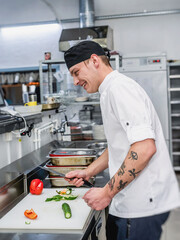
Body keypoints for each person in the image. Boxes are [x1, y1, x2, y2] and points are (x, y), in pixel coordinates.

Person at [64, 41, 180, 240]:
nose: (75, 81)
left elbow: (144, 148)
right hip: (131, 201)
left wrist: (106, 193)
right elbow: (122, 144)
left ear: (94, 61)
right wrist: (88, 171)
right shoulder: (108, 90)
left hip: (141, 206)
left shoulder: (119, 89)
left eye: (76, 72)